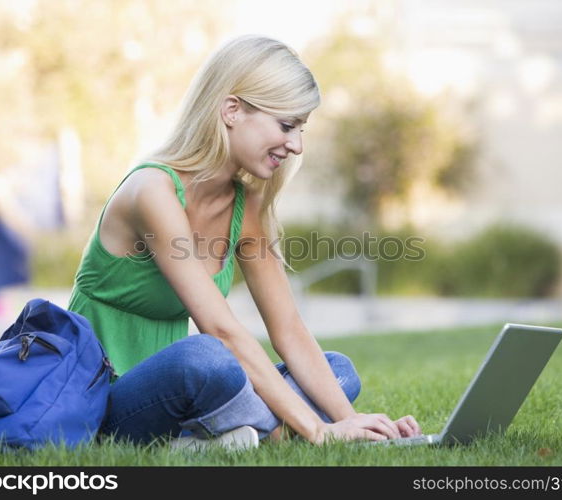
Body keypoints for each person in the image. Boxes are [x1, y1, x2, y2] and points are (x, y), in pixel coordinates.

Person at [68, 34, 422, 450]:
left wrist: (352, 420)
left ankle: (214, 437)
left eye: (301, 129)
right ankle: (261, 432)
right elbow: (220, 330)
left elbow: (288, 328)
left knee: (338, 371)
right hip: (110, 402)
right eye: (287, 125)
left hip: (191, 395)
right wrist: (318, 428)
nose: (296, 145)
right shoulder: (152, 191)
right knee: (204, 356)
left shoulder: (245, 204)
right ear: (232, 110)